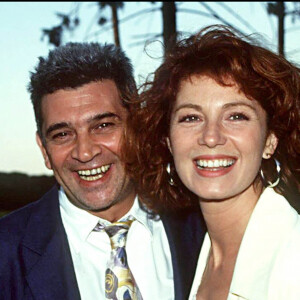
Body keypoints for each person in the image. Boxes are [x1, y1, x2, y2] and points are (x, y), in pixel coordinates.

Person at [0, 42, 205, 300]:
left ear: (138, 127)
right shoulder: (6, 253)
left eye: (103, 126)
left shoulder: (203, 226)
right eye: (62, 134)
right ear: (44, 149)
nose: (85, 153)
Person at [124, 25, 300, 300]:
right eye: (191, 117)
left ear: (270, 140)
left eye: (236, 116)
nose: (210, 137)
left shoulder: (293, 258)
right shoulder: (201, 254)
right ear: (169, 142)